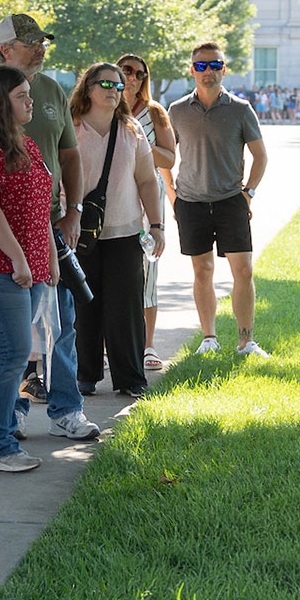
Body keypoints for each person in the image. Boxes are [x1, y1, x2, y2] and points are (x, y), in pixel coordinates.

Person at [0, 15, 98, 442]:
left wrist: (74, 212)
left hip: (46, 228)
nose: (40, 49)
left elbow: (69, 157)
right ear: (3, 51)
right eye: (30, 43)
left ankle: (66, 409)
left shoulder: (49, 92)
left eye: (42, 42)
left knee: (60, 324)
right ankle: (5, 419)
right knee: (5, 343)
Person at [0, 66, 59, 473]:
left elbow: (40, 209)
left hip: (33, 269)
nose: (30, 102)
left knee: (10, 356)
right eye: (22, 96)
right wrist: (20, 259)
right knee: (12, 353)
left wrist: (50, 259)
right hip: (2, 270)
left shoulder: (26, 143)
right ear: (1, 101)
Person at [166, 43, 271, 358]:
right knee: (202, 271)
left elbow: (260, 156)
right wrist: (172, 195)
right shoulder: (177, 110)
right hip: (191, 202)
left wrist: (248, 192)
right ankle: (209, 338)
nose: (207, 72)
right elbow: (166, 157)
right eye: (201, 66)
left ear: (224, 69)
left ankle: (245, 341)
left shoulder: (240, 109)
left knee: (244, 271)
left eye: (214, 65)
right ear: (192, 69)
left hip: (230, 201)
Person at [69, 63, 164, 397]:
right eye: (105, 83)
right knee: (84, 307)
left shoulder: (131, 129)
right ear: (88, 88)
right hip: (79, 234)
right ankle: (86, 375)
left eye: (119, 85)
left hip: (125, 233)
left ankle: (130, 377)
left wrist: (157, 225)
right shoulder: (72, 127)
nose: (113, 89)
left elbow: (147, 181)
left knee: (126, 308)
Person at [119, 53, 175, 371]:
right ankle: (105, 344)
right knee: (112, 267)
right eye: (127, 70)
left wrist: (139, 141)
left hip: (148, 197)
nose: (133, 77)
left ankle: (147, 344)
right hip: (113, 196)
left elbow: (169, 158)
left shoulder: (154, 112)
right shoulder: (103, 107)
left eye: (140, 73)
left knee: (147, 270)